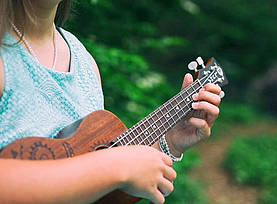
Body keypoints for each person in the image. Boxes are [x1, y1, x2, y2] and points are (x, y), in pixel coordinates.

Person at [0, 0, 221, 204]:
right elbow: (106, 168)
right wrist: (114, 166)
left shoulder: (84, 63)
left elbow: (95, 185)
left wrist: (169, 141)